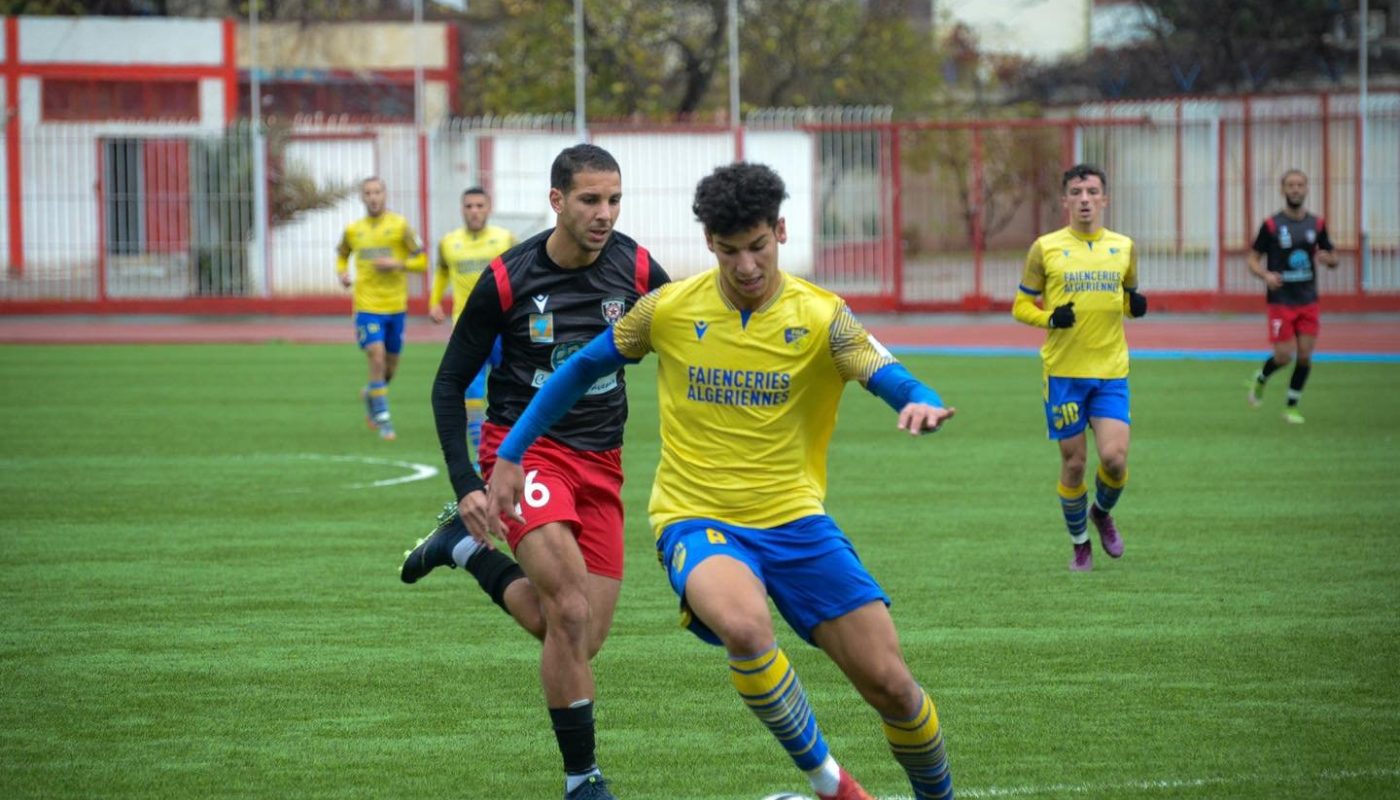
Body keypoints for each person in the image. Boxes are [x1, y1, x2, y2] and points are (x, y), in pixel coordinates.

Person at [486, 163, 956, 800]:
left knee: (893, 687)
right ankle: (834, 787)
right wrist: (513, 453)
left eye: (758, 247)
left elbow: (882, 369)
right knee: (745, 629)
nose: (746, 266)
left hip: (797, 521)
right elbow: (577, 371)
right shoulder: (668, 309)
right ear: (709, 242)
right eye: (730, 251)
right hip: (696, 517)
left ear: (781, 232)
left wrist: (919, 399)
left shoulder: (823, 316)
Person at [399, 144, 669, 800]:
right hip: (523, 456)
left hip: (602, 464)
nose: (604, 213)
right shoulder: (506, 279)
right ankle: (583, 780)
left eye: (613, 200)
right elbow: (448, 385)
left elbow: (695, 329)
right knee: (570, 612)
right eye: (589, 200)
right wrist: (468, 481)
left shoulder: (635, 267)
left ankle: (464, 551)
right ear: (557, 201)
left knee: (576, 635)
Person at [1012, 163, 1148, 572]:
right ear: (1065, 200)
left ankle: (1102, 513)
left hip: (1110, 370)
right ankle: (1080, 545)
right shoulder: (1045, 248)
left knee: (1115, 459)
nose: (1085, 199)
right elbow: (1021, 306)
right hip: (1064, 375)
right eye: (1077, 192)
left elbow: (1126, 296)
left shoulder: (1124, 247)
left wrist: (1134, 306)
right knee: (1074, 465)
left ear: (1104, 199)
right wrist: (1050, 318)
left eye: (1092, 191)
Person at [430, 186, 517, 468]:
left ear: (489, 208)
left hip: (503, 327)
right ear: (462, 209)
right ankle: (482, 456)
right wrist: (434, 302)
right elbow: (442, 271)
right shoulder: (449, 242)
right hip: (466, 328)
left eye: (480, 205)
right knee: (472, 393)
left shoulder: (504, 239)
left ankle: (512, 449)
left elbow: (520, 275)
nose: (474, 211)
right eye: (469, 206)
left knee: (511, 388)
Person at [335, 176, 427, 441]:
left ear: (385, 195)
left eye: (377, 192)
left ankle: (372, 394)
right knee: (376, 354)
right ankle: (383, 418)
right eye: (367, 193)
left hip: (396, 305)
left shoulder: (400, 226)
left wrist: (398, 264)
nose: (373, 197)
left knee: (389, 367)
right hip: (366, 304)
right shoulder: (353, 230)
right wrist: (342, 274)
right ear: (362, 198)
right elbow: (342, 254)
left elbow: (421, 260)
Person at [1245, 169, 1339, 424]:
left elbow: (1333, 256)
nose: (1295, 189)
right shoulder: (1272, 225)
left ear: (1307, 189)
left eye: (1300, 185)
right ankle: (1262, 378)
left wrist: (1328, 259)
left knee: (1306, 355)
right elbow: (1253, 259)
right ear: (1282, 190)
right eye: (1290, 185)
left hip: (1308, 299)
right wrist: (1265, 275)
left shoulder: (1316, 224)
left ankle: (1291, 406)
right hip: (1281, 301)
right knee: (1284, 356)